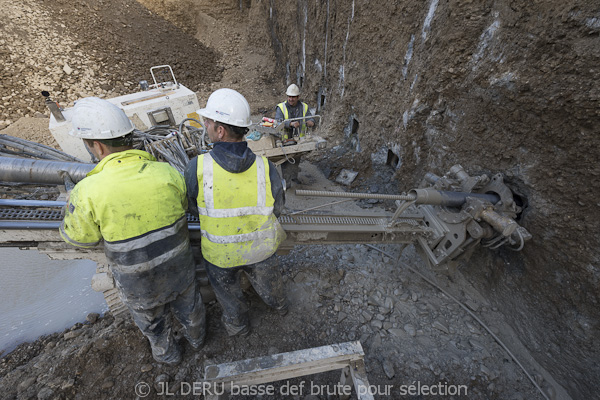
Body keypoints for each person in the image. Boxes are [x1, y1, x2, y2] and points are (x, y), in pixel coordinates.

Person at [60, 97, 205, 365]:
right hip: (179, 270)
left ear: (98, 146)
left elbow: (82, 239)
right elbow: (184, 208)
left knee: (153, 325)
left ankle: (168, 356)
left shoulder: (86, 191)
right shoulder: (168, 173)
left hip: (138, 284)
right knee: (191, 309)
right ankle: (198, 341)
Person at [184, 88, 288, 337]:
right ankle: (281, 307)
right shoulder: (266, 167)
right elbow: (279, 208)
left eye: (208, 122)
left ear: (220, 130)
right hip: (261, 249)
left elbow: (191, 208)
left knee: (228, 296)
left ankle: (238, 326)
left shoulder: (197, 167)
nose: (205, 126)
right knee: (271, 286)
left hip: (220, 255)